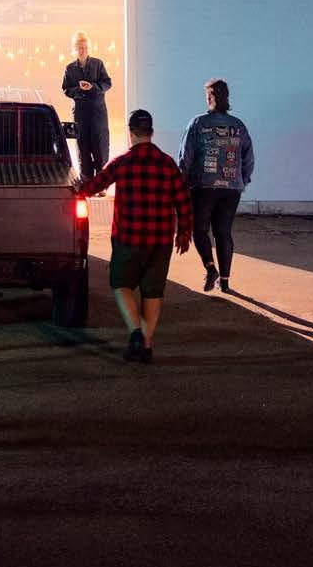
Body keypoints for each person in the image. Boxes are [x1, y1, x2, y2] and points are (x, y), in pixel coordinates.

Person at [77, 108, 192, 363]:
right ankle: (147, 346)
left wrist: (76, 189)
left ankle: (136, 333)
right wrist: (184, 232)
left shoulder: (122, 162)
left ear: (131, 133)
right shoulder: (167, 163)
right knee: (153, 292)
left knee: (121, 285)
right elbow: (183, 201)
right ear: (151, 132)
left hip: (128, 239)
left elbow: (94, 185)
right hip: (160, 241)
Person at [179, 78, 255, 293]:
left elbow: (185, 157)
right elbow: (249, 158)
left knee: (199, 230)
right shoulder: (238, 126)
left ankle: (210, 267)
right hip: (231, 189)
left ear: (209, 98)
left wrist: (183, 182)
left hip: (203, 186)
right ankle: (226, 281)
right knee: (223, 232)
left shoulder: (198, 123)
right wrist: (241, 181)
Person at [61, 30, 112, 181]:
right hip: (81, 114)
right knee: (83, 147)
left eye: (85, 48)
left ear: (89, 48)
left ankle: (102, 182)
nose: (83, 51)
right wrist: (79, 90)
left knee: (100, 146)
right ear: (75, 49)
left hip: (97, 113)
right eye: (80, 48)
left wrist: (93, 87)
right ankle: (87, 181)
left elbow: (107, 83)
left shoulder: (98, 64)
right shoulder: (70, 68)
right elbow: (66, 89)